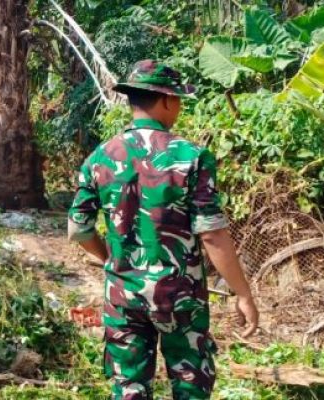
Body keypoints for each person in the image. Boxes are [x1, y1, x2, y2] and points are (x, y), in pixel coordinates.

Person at [68, 60, 259, 400]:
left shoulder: (99, 157)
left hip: (123, 297)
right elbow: (211, 234)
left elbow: (78, 229)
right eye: (179, 99)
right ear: (168, 100)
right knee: (190, 387)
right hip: (180, 297)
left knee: (129, 389)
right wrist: (243, 294)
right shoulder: (191, 157)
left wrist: (110, 258)